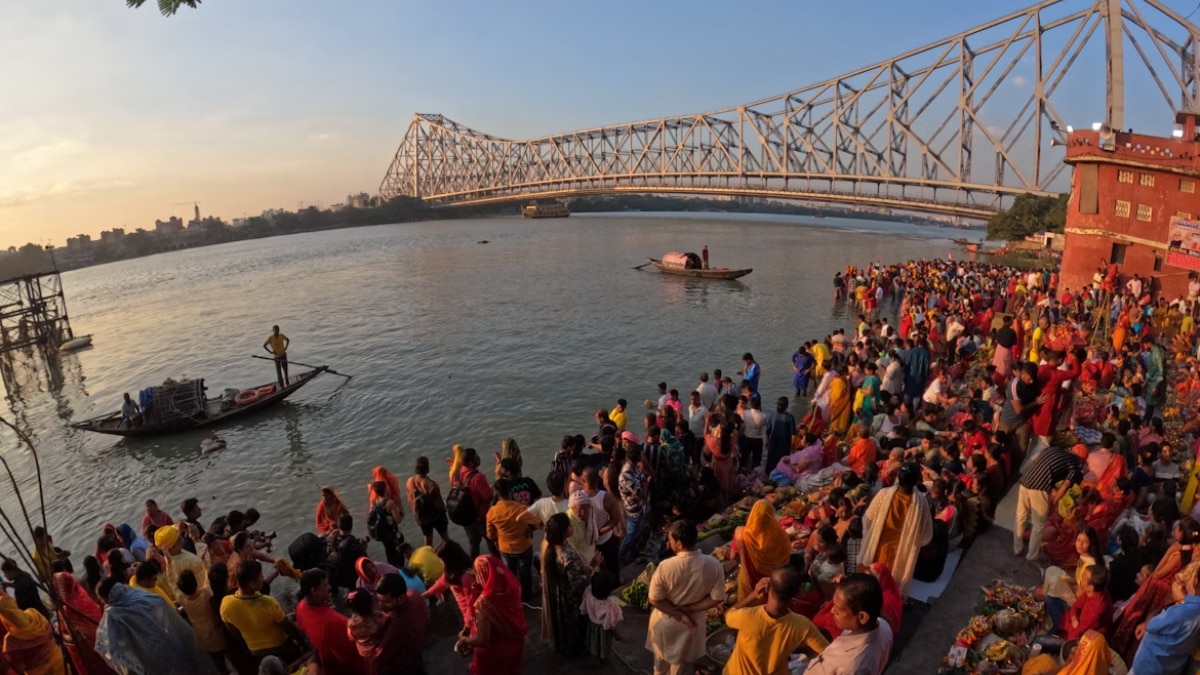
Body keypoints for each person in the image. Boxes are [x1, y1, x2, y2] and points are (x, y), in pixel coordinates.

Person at [646, 520, 726, 675]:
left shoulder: (665, 567)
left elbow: (655, 599)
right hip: (693, 625)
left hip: (667, 624)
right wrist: (689, 610)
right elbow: (717, 598)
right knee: (680, 668)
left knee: (660, 666)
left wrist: (679, 614)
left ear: (680, 543)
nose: (668, 544)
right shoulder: (713, 564)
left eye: (670, 540)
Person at [95, 579, 217, 675]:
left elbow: (111, 649)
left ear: (106, 597)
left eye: (101, 599)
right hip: (171, 645)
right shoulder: (141, 595)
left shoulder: (112, 616)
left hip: (148, 660)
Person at [724, 566, 828, 675]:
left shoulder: (747, 616)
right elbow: (827, 652)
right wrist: (800, 649)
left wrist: (753, 595)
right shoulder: (803, 625)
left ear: (767, 587)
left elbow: (728, 615)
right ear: (797, 593)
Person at [859, 463, 933, 599]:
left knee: (870, 587)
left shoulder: (883, 494)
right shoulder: (921, 504)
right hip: (900, 558)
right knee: (889, 590)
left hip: (877, 551)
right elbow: (926, 537)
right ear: (917, 481)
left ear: (899, 477)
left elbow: (867, 520)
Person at [219, 560, 306, 665]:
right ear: (252, 583)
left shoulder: (226, 603)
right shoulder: (268, 603)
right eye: (260, 576)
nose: (263, 578)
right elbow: (287, 627)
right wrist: (302, 643)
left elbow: (233, 630)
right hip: (280, 647)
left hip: (255, 651)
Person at [804, 574, 893, 675]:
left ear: (862, 617)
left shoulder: (849, 666)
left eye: (838, 609)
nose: (833, 611)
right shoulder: (884, 625)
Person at [1013, 445, 1084, 562]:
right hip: (1040, 487)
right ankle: (1032, 556)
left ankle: (1017, 548)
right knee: (1039, 525)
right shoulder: (1074, 464)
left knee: (1021, 515)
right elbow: (1065, 486)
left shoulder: (1053, 449)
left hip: (1025, 480)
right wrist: (1053, 501)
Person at [458, 557, 526, 675]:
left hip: (495, 653)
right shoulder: (510, 590)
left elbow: (483, 640)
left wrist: (465, 640)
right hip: (514, 645)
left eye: (476, 572)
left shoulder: (485, 604)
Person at [1129, 564, 1200, 675]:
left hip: (1149, 668)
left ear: (1194, 582)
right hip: (1173, 667)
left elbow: (1152, 625)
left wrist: (1178, 601)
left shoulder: (1180, 612)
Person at [541, 512, 595, 655]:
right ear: (565, 531)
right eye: (570, 525)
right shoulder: (568, 554)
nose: (572, 526)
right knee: (574, 623)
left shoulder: (553, 547)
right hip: (570, 598)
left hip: (560, 592)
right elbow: (577, 583)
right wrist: (592, 566)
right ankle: (575, 648)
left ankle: (566, 644)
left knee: (563, 622)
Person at [294, 569, 366, 675]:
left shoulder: (300, 608)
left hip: (328, 662)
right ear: (314, 591)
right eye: (325, 585)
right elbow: (352, 656)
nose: (330, 587)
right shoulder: (332, 623)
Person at [485, 478, 542, 602]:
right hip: (523, 546)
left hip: (505, 548)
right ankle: (526, 597)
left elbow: (490, 534)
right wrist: (530, 529)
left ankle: (514, 596)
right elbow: (539, 523)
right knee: (525, 573)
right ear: (511, 492)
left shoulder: (492, 512)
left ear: (497, 494)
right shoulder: (521, 509)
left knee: (510, 574)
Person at [733, 501, 793, 604]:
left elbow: (733, 556)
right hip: (773, 579)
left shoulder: (741, 534)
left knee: (748, 604)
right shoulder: (781, 535)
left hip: (748, 578)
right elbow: (786, 556)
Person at [370, 573, 429, 675]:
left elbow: (379, 656)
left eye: (386, 602)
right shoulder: (414, 595)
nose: (381, 606)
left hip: (403, 666)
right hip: (417, 654)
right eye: (379, 601)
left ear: (401, 598)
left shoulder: (398, 624)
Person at [176, 570, 227, 672]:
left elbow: (171, 582)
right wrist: (203, 562)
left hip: (202, 637)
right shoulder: (206, 594)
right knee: (227, 654)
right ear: (195, 582)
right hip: (217, 633)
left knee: (217, 660)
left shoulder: (181, 599)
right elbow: (207, 579)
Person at [454, 448, 495, 559]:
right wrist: (492, 489)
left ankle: (474, 566)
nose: (479, 458)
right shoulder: (478, 477)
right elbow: (487, 496)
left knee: (473, 543)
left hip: (466, 516)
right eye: (476, 457)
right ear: (471, 462)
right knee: (491, 541)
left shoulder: (459, 473)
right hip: (481, 516)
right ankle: (498, 564)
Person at [404, 457, 449, 548]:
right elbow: (439, 503)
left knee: (428, 540)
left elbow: (410, 499)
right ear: (427, 468)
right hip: (436, 516)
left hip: (421, 517)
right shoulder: (431, 484)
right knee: (446, 540)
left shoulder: (409, 482)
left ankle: (428, 557)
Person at [367, 479, 405, 567]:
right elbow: (398, 520)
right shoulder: (389, 503)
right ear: (384, 489)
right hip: (392, 534)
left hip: (384, 535)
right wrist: (399, 508)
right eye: (387, 487)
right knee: (399, 556)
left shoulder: (375, 503)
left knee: (389, 554)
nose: (388, 488)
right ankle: (400, 572)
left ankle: (392, 570)